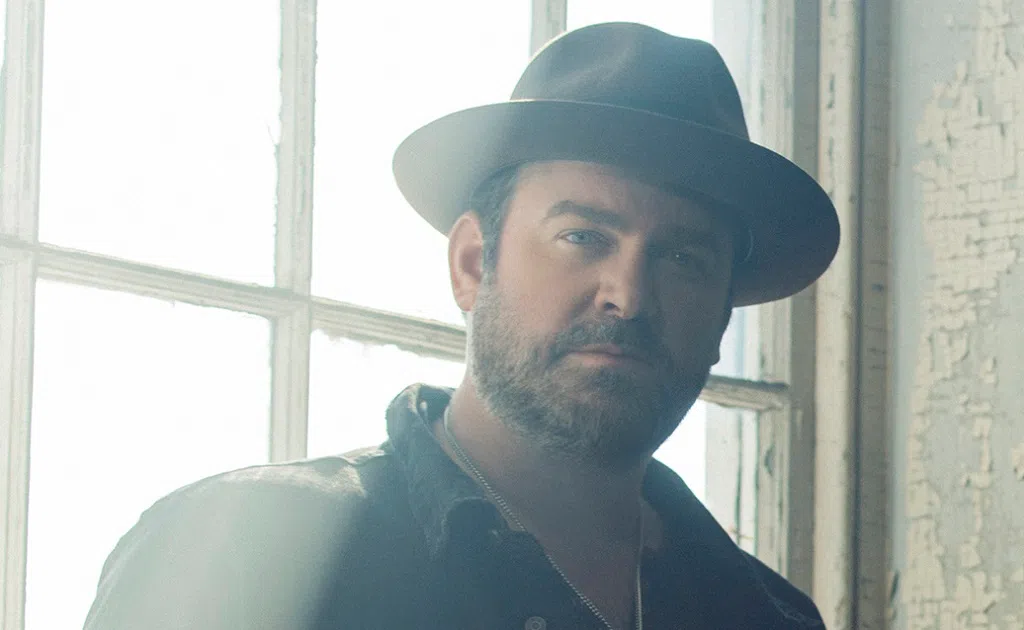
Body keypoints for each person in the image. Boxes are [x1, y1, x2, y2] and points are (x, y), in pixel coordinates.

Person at [84, 21, 839, 630]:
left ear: (722, 318)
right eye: (583, 237)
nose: (629, 296)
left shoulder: (765, 615)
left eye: (683, 259)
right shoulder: (245, 545)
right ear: (474, 263)